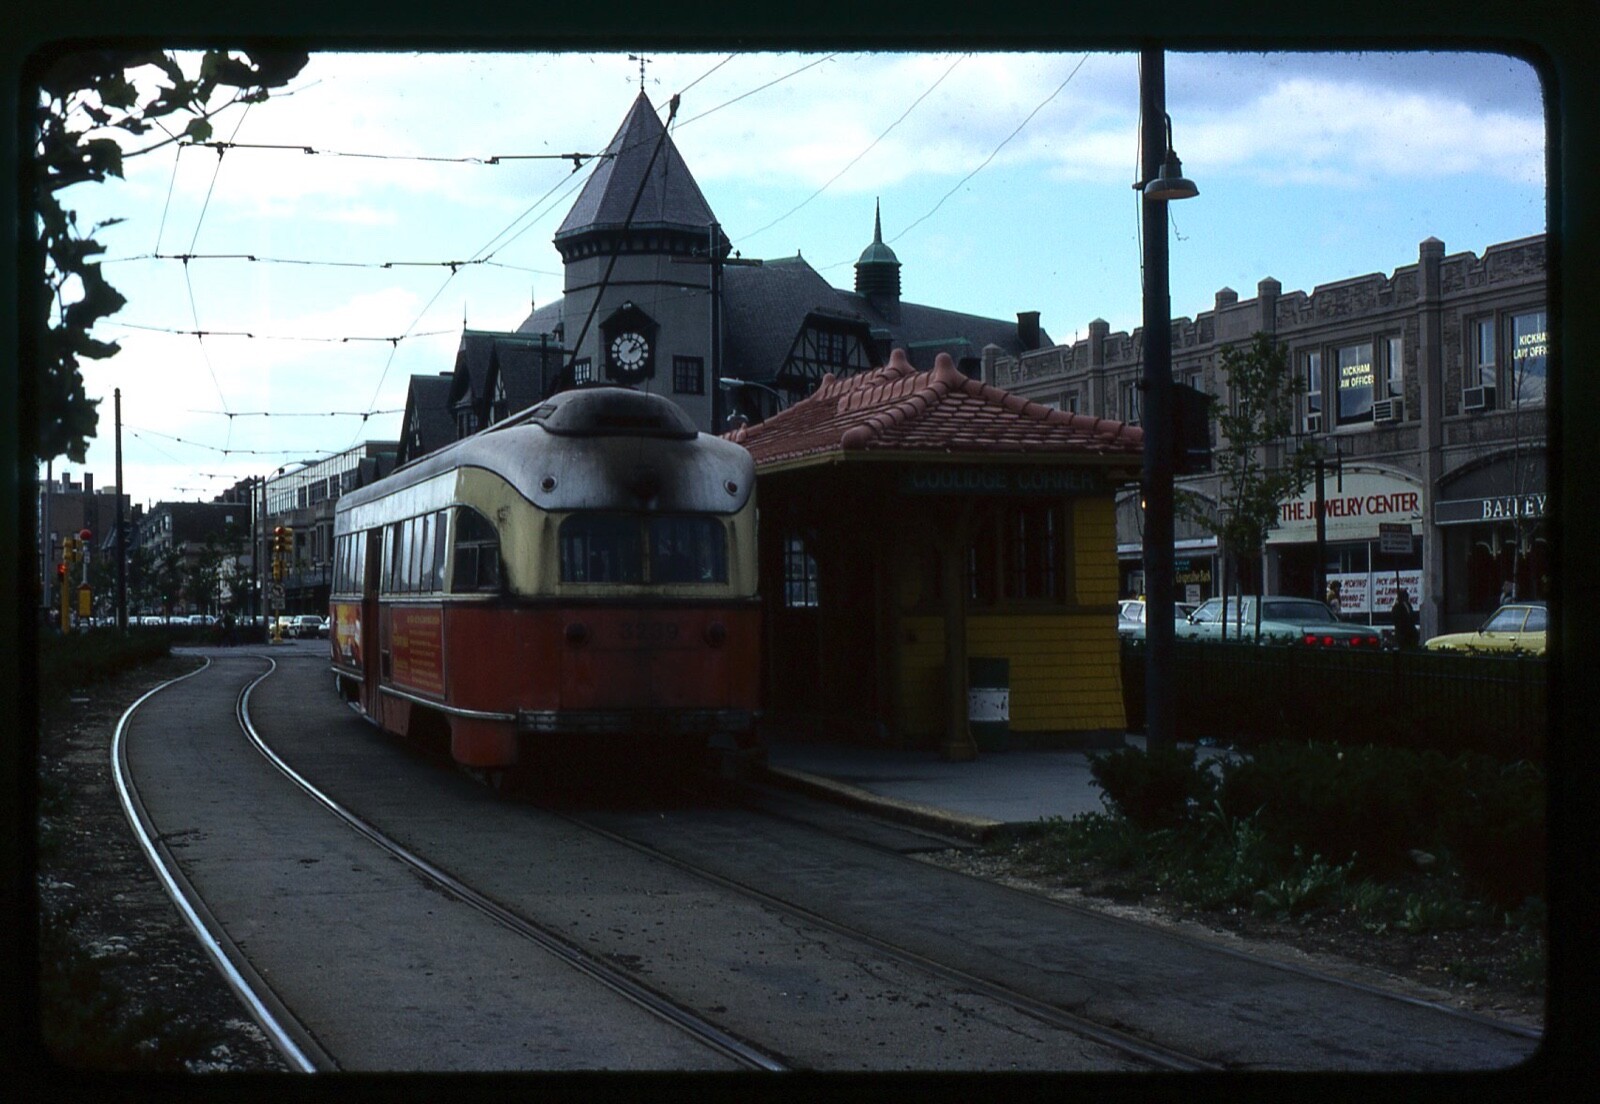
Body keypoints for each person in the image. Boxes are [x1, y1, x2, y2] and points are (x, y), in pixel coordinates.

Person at [1391, 583, 1418, 650]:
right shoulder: (1397, 607)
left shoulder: (1408, 605)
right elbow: (1396, 620)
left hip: (1411, 634)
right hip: (1403, 635)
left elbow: (1411, 616)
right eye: (1406, 595)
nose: (1407, 597)